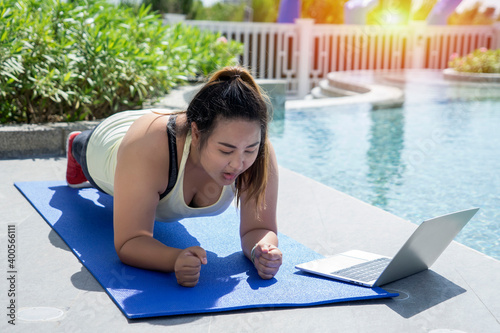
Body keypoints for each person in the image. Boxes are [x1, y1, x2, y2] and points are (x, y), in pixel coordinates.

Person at [66, 66, 283, 287]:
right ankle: (77, 143)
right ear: (197, 134)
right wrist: (173, 259)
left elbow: (258, 228)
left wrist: (262, 250)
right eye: (226, 151)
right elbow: (130, 241)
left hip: (164, 128)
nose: (238, 163)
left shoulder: (257, 149)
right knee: (87, 151)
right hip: (113, 143)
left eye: (249, 150)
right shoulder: (147, 149)